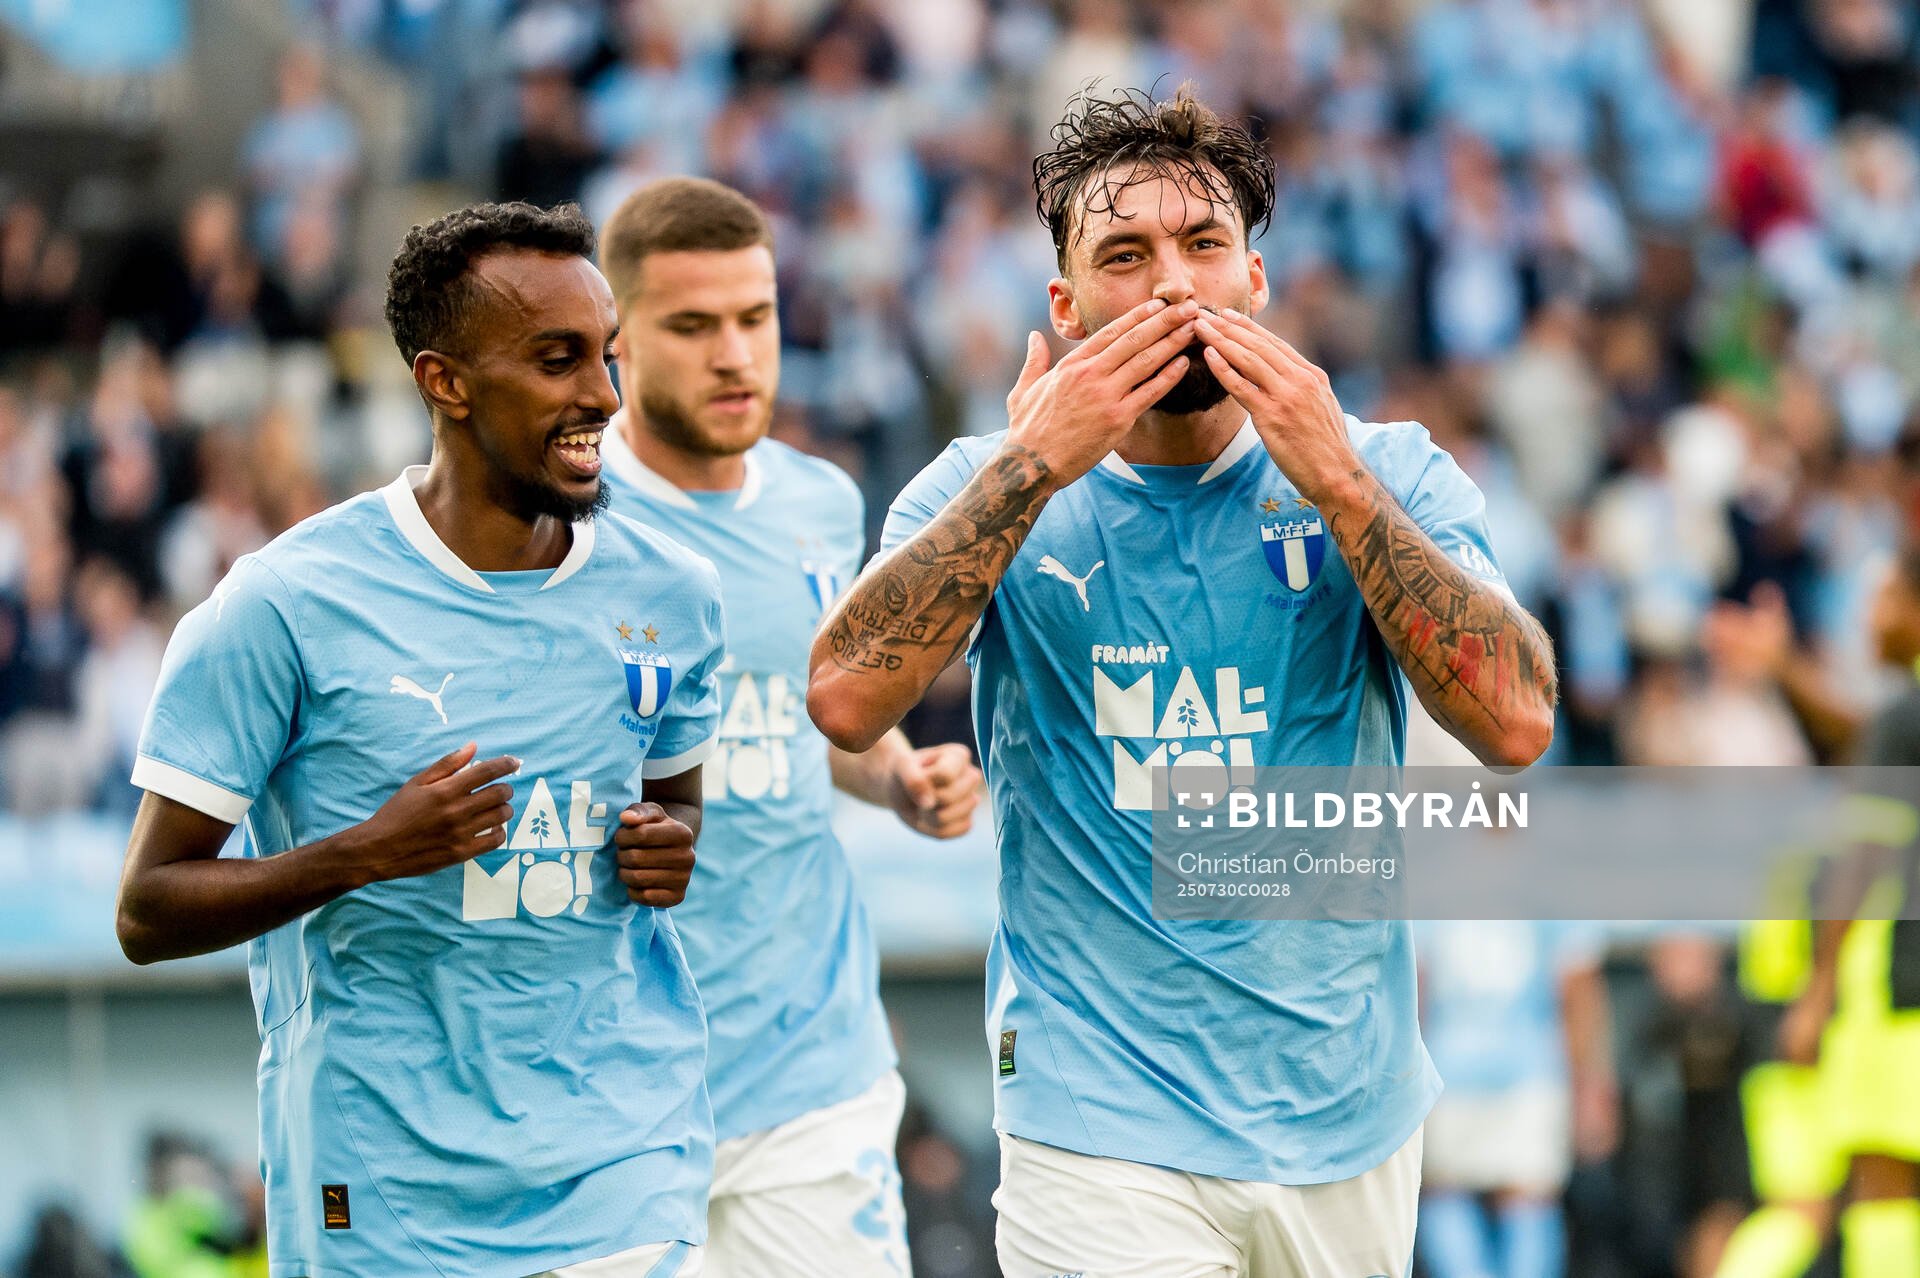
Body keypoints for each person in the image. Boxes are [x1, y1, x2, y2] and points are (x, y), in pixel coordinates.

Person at [808, 85, 1557, 1276]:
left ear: (1255, 279)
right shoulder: (986, 482)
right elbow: (844, 698)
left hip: (1342, 1109)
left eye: (1205, 246)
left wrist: (1345, 493)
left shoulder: (1385, 470)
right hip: (1093, 1115)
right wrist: (1028, 472)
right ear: (1065, 304)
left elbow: (1517, 722)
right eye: (1125, 255)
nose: (1173, 285)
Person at [115, 201, 723, 1278]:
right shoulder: (285, 604)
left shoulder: (672, 589)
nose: (601, 394)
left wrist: (670, 843)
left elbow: (677, 806)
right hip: (387, 1182)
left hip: (623, 1154)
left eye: (606, 354)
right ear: (445, 382)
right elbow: (147, 909)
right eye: (556, 359)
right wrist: (367, 853)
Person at [595, 175, 982, 1276]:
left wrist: (901, 778)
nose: (734, 354)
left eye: (754, 319)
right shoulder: (566, 528)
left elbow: (818, 716)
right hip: (617, 1088)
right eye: (692, 325)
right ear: (618, 339)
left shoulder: (819, 500)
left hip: (813, 1072)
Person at [1772, 543, 1920, 1277]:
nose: (1873, 616)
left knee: (1884, 1180)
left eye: (1887, 597)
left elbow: (1862, 858)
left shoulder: (1904, 715)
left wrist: (1818, 987)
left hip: (1908, 998)